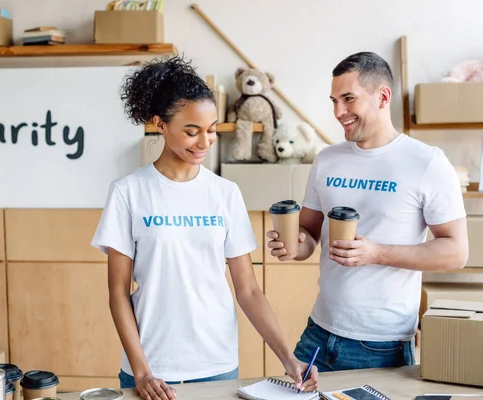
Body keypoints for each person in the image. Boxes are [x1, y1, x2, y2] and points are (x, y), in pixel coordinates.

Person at [91, 55, 318, 400]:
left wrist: (289, 358)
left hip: (217, 363)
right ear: (159, 124)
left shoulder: (224, 194)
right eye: (191, 131)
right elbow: (118, 293)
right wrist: (142, 372)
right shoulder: (128, 192)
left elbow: (249, 291)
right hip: (151, 369)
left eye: (211, 130)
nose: (204, 142)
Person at [267, 51, 469, 372]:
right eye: (334, 100)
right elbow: (307, 235)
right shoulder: (327, 159)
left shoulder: (427, 163)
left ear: (383, 96)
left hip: (382, 344)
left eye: (348, 99)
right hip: (319, 332)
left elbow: (456, 253)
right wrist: (292, 245)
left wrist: (376, 253)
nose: (338, 111)